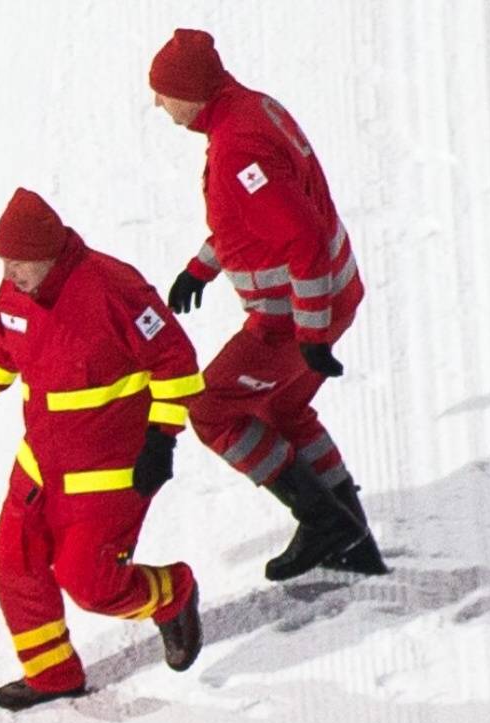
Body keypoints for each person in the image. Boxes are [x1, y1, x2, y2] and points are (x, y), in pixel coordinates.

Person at [0, 189, 206, 712]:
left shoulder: (114, 288)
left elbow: (175, 361)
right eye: (4, 263)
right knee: (13, 566)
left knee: (91, 585)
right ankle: (53, 676)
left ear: (51, 254)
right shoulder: (15, 294)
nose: (11, 274)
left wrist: (162, 438)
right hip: (40, 467)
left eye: (19, 263)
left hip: (111, 474)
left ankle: (173, 594)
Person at [149, 27, 386, 580]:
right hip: (331, 296)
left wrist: (310, 336)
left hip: (291, 321)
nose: (158, 103)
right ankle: (354, 541)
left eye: (164, 91)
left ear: (193, 90)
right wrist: (201, 268)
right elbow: (252, 223)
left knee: (211, 410)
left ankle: (323, 520)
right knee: (284, 412)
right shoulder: (250, 111)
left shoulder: (237, 149)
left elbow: (300, 241)